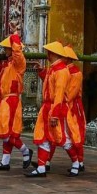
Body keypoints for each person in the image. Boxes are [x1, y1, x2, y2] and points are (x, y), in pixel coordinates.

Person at [25, 41, 71, 178]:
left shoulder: (62, 71)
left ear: (54, 54)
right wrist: (41, 71)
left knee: (62, 138)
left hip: (54, 108)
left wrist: (55, 114)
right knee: (42, 137)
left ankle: (77, 162)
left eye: (49, 52)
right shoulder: (53, 68)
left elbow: (59, 94)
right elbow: (49, 84)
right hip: (47, 108)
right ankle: (41, 167)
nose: (47, 54)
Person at [0, 33, 31, 170]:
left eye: (7, 48)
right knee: (5, 132)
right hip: (3, 101)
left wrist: (14, 38)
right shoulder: (8, 64)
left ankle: (25, 151)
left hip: (11, 101)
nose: (4, 50)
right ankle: (5, 161)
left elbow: (18, 54)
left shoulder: (19, 62)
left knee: (7, 132)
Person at [61, 44, 87, 176]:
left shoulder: (76, 73)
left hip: (72, 106)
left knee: (74, 133)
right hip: (65, 104)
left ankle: (78, 162)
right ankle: (78, 162)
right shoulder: (63, 70)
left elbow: (70, 93)